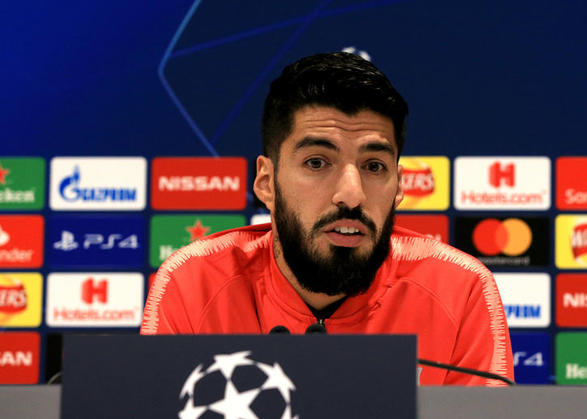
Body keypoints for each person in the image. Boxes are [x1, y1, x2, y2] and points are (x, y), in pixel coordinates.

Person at [141, 52, 514, 385]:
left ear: (399, 185)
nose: (351, 194)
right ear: (267, 183)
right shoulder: (193, 284)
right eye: (317, 163)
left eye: (374, 166)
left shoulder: (460, 289)